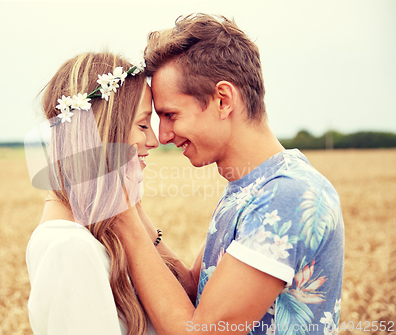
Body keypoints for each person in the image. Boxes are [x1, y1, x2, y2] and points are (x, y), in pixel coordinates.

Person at [114, 13, 345, 335]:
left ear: (223, 100)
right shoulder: (252, 186)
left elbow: (201, 332)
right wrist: (133, 206)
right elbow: (195, 289)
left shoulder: (286, 195)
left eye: (170, 115)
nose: (163, 135)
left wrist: (123, 221)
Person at [24, 52, 182, 335]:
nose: (155, 141)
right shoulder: (70, 248)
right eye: (143, 125)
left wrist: (135, 209)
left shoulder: (92, 235)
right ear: (105, 130)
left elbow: (188, 303)